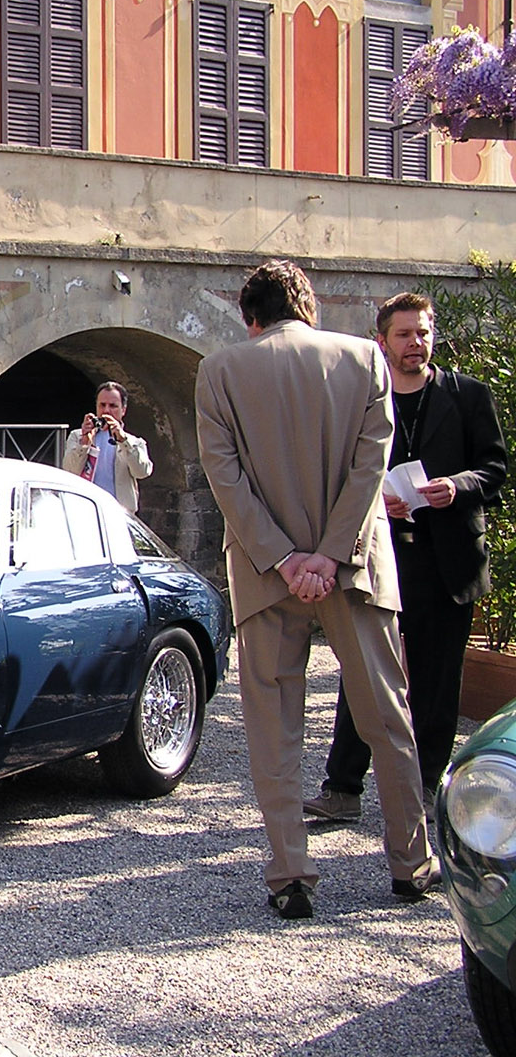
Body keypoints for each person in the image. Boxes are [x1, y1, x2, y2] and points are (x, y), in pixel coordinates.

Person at [195, 259, 436, 920]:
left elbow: (225, 478)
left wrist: (284, 558)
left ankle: (290, 875)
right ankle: (410, 863)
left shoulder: (220, 370)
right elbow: (370, 467)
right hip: (355, 568)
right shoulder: (365, 359)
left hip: (265, 575)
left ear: (252, 318)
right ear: (311, 308)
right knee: (388, 720)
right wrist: (328, 557)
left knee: (273, 729)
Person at [305, 293, 508, 822]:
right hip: (382, 560)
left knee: (438, 688)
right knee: (364, 679)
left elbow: (495, 469)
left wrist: (457, 487)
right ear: (383, 341)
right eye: (404, 335)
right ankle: (342, 789)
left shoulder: (468, 397)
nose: (415, 343)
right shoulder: (365, 402)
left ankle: (423, 791)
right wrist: (376, 504)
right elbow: (342, 472)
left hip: (448, 569)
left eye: (422, 333)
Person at [60, 381, 153, 513]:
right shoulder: (77, 436)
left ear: (123, 410)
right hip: (84, 510)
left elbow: (142, 472)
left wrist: (123, 441)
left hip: (119, 512)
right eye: (102, 405)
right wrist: (85, 443)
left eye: (113, 406)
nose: (106, 411)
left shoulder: (134, 442)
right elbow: (69, 471)